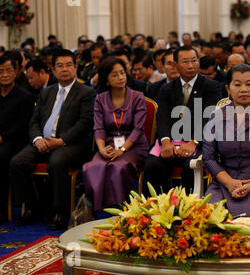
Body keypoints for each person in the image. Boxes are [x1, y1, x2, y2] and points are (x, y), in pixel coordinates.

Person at [10, 49, 96, 230]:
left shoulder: (87, 92)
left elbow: (85, 123)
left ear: (75, 67)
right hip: (43, 141)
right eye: (60, 66)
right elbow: (33, 120)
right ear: (53, 69)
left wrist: (61, 141)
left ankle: (60, 212)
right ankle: (34, 206)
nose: (64, 69)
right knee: (17, 162)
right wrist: (37, 139)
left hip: (72, 144)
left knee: (56, 162)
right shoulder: (46, 92)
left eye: (68, 65)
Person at [203, 64, 250, 218]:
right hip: (224, 182)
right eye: (237, 85)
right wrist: (229, 182)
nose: (244, 89)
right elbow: (209, 157)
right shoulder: (216, 117)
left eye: (249, 84)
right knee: (209, 219)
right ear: (228, 89)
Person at [142, 46, 220, 194]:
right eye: (185, 62)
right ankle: (158, 209)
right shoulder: (167, 88)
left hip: (199, 143)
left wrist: (194, 142)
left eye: (194, 61)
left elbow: (210, 118)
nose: (191, 66)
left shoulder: (211, 86)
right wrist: (165, 141)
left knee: (190, 167)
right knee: (152, 165)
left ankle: (189, 210)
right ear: (175, 64)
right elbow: (162, 116)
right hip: (171, 143)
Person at [82, 57, 149, 212]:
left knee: (117, 167)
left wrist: (122, 150)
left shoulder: (137, 97)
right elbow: (99, 128)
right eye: (115, 75)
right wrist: (101, 148)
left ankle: (119, 210)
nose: (120, 77)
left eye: (122, 73)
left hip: (134, 146)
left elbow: (138, 130)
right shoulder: (100, 99)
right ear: (106, 79)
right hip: (109, 144)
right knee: (93, 166)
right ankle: (96, 210)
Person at [0, 55, 35, 224]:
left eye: (8, 70)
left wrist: (2, 137)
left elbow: (22, 126)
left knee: (2, 156)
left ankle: (3, 210)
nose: (4, 74)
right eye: (1, 71)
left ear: (16, 72)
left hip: (16, 140)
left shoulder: (25, 96)